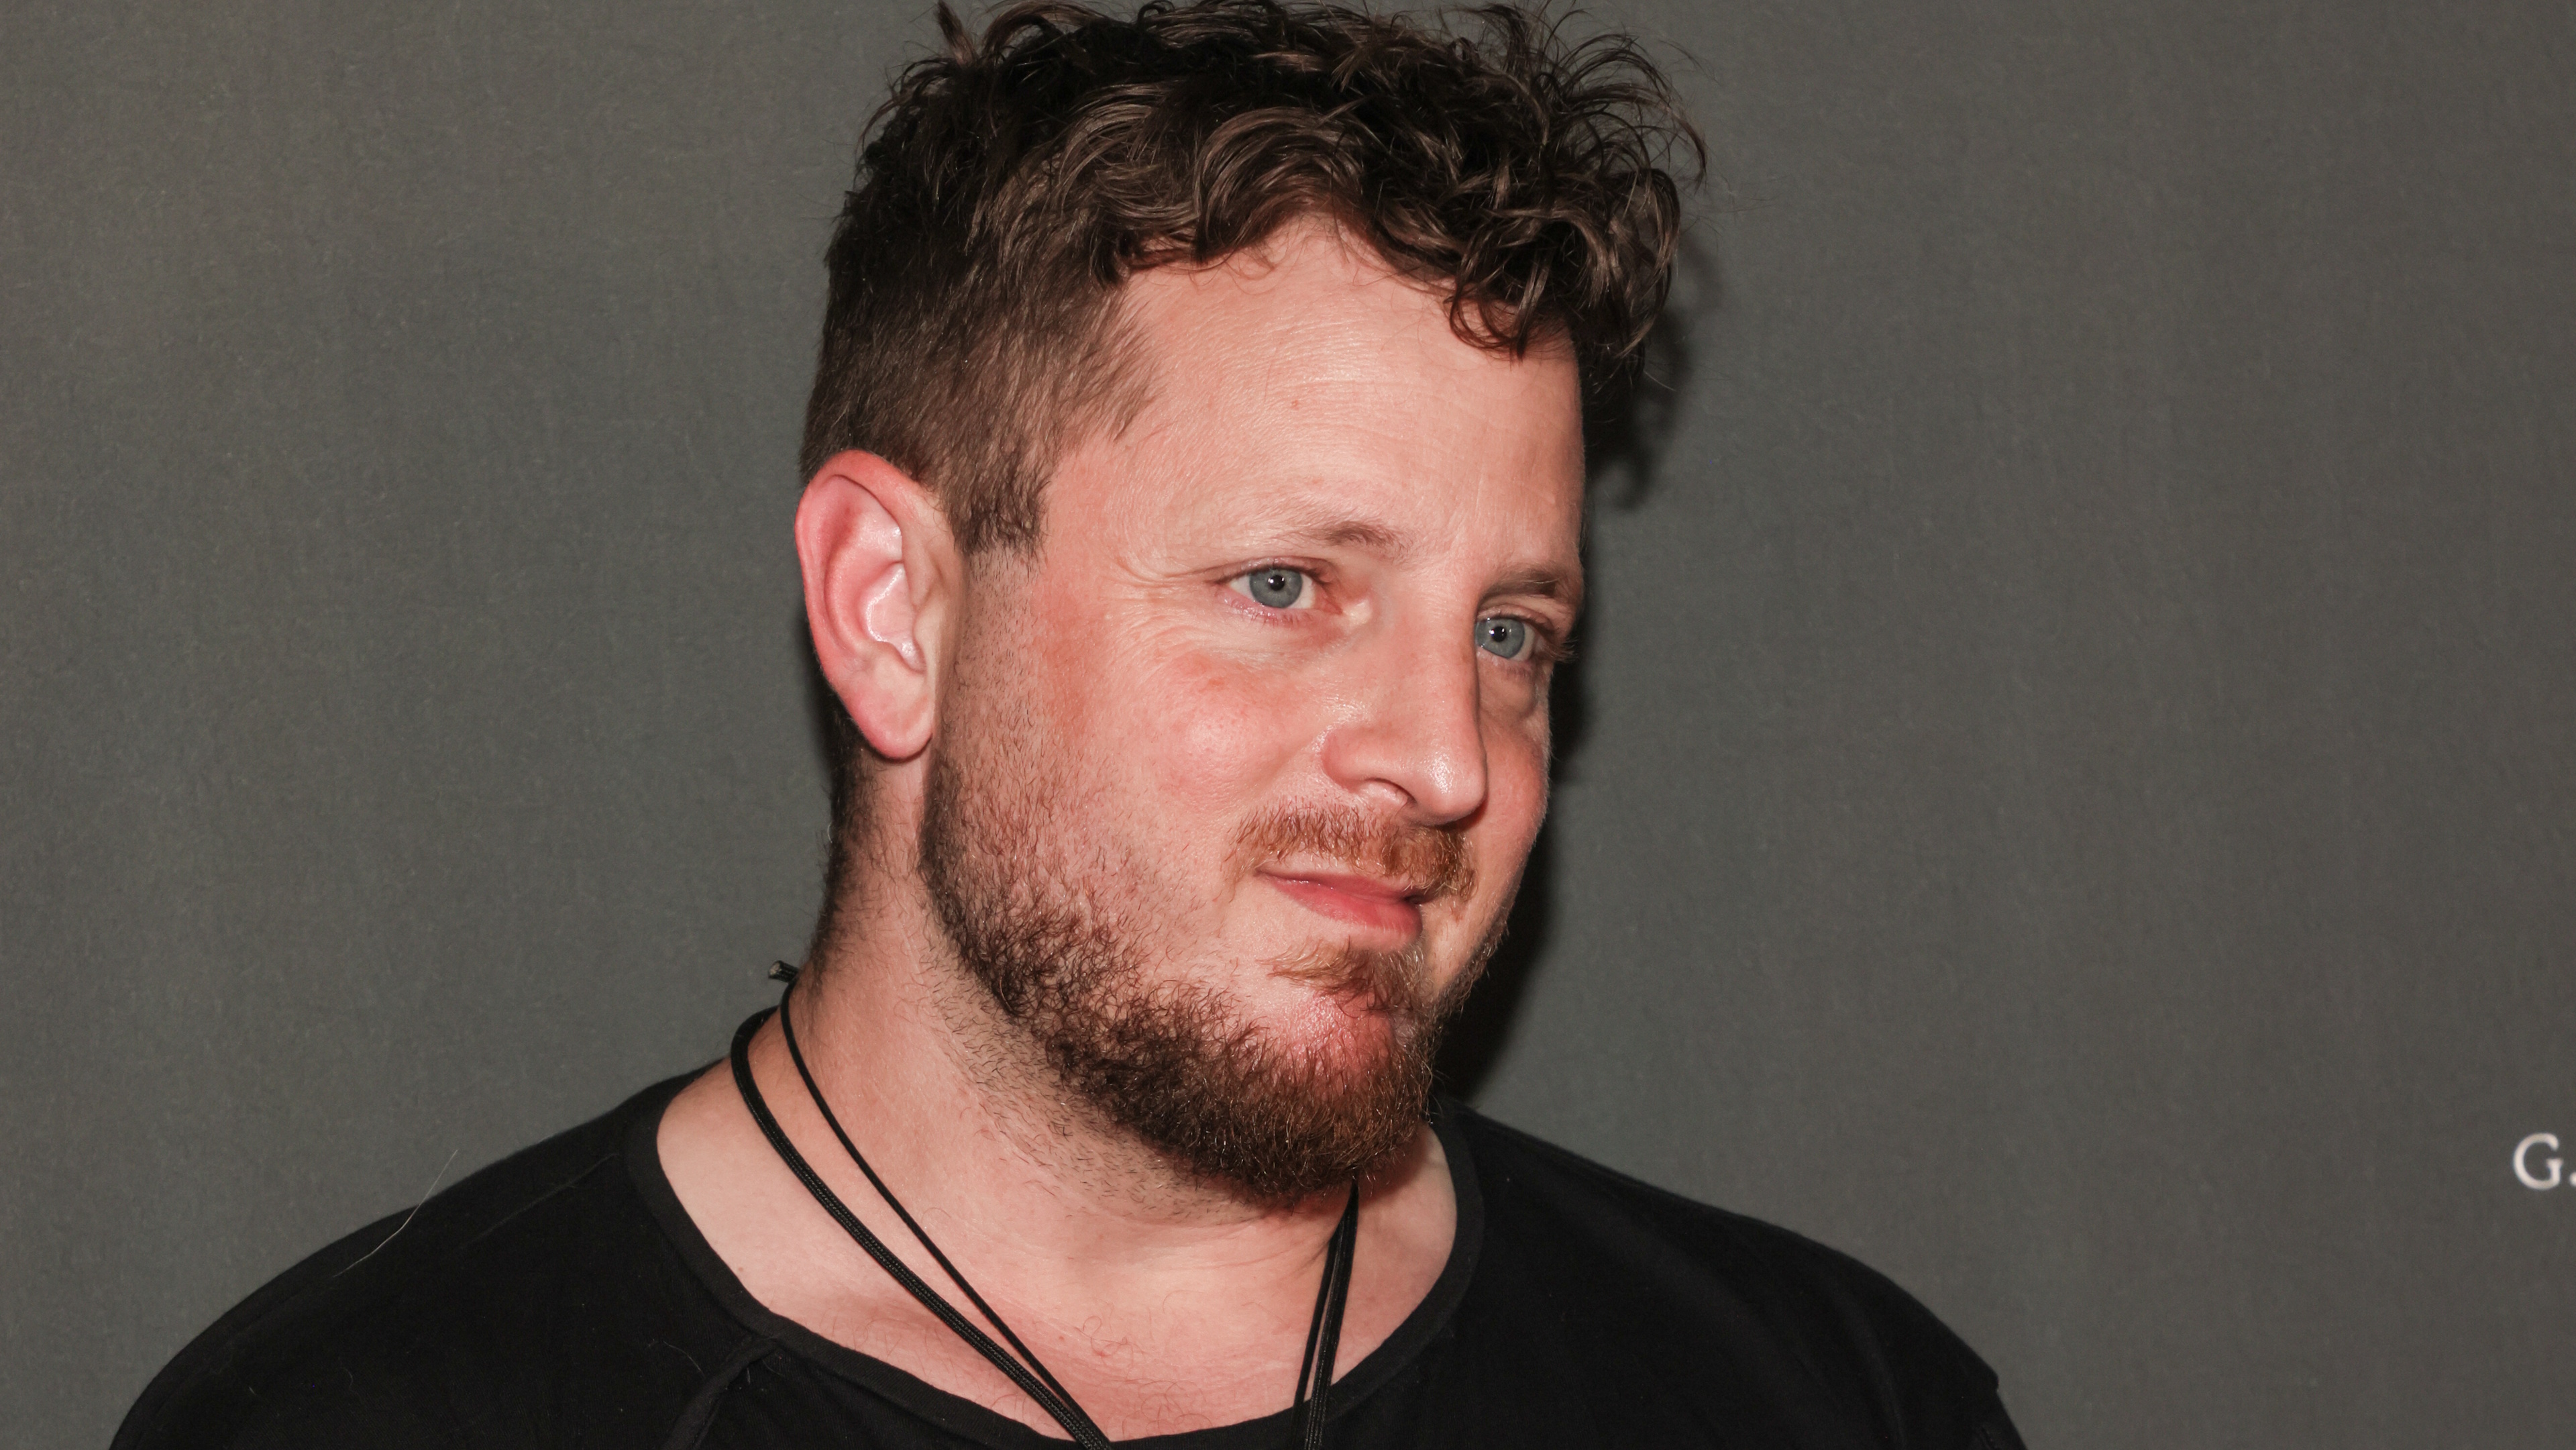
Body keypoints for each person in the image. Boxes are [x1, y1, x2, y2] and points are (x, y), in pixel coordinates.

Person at [117, 3, 2025, 1446]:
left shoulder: (1824, 1398)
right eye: (1288, 588)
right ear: (895, 607)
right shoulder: (364, 1416)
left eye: (1513, 629)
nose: (1448, 760)